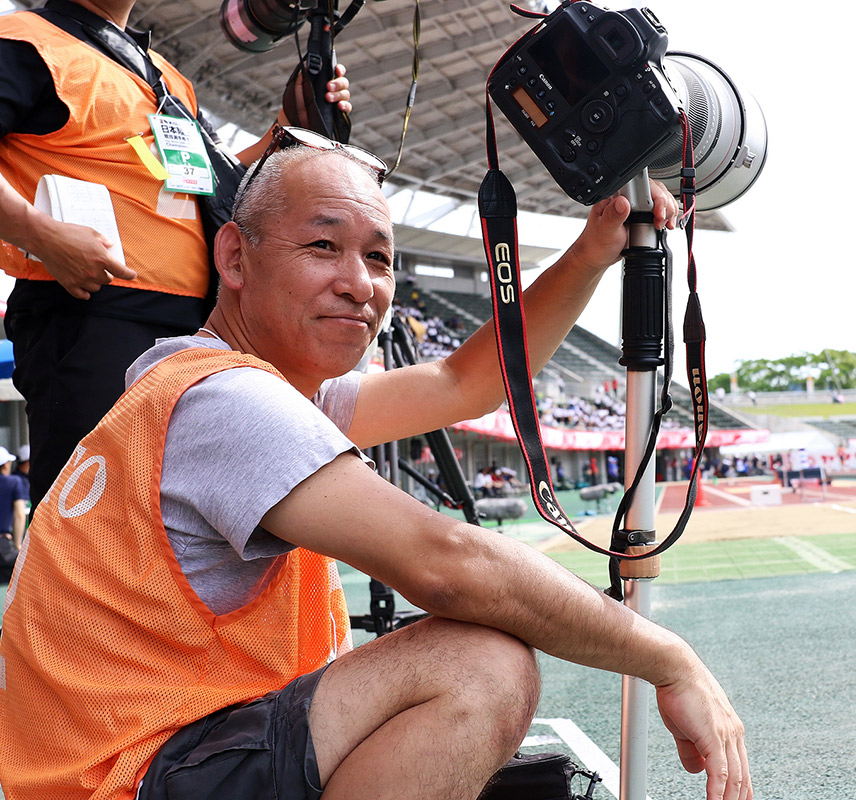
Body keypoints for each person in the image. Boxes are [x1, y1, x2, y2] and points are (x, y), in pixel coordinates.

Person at [0, 138, 750, 800]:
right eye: (323, 247)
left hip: (134, 762)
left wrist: (590, 252)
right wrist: (669, 659)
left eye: (381, 257)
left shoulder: (247, 390)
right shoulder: (226, 400)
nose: (360, 283)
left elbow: (467, 383)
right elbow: (448, 564)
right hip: (127, 778)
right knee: (477, 664)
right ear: (234, 257)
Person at [0, 0, 354, 507]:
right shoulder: (25, 41)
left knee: (173, 516)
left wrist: (288, 131)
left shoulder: (166, 77)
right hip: (92, 313)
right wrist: (42, 236)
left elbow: (218, 182)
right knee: (91, 517)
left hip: (195, 325)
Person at [0, 445, 28, 550]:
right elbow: (20, 514)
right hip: (3, 542)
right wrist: (18, 544)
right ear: (5, 465)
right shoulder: (14, 482)